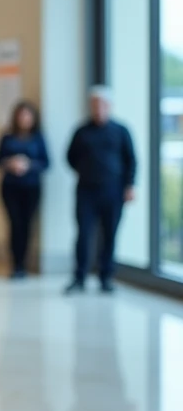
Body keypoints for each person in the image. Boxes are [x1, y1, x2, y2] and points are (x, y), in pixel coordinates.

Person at [66, 86, 136, 294]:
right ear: (91, 106)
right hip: (86, 191)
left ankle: (106, 277)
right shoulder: (82, 131)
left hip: (113, 191)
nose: (99, 108)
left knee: (110, 235)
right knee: (84, 234)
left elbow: (131, 160)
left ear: (110, 106)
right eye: (95, 104)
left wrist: (130, 185)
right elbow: (70, 157)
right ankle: (79, 277)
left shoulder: (121, 131)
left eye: (103, 104)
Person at [0, 101, 50, 279]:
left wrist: (29, 165)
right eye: (21, 116)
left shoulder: (38, 138)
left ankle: (24, 264)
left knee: (27, 225)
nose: (24, 119)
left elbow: (46, 163)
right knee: (15, 224)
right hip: (10, 187)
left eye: (27, 116)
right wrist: (10, 163)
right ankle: (15, 264)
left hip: (31, 187)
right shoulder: (7, 136)